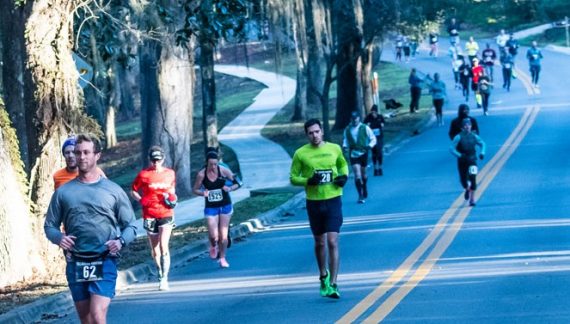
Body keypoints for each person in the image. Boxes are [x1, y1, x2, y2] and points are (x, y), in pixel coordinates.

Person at [44, 134, 137, 323]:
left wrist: (120, 241)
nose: (81, 157)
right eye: (78, 153)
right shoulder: (63, 192)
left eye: (86, 152)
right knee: (86, 319)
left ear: (97, 155)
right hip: (76, 262)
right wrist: (59, 238)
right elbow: (49, 225)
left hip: (104, 259)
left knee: (97, 314)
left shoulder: (113, 190)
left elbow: (132, 225)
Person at [289, 118, 349, 299]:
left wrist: (344, 177)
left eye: (317, 131)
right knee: (320, 242)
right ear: (306, 135)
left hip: (333, 199)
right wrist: (308, 181)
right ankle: (323, 275)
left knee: (332, 241)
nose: (314, 135)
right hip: (314, 202)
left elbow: (342, 164)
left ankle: (334, 284)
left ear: (322, 131)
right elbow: (293, 177)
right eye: (310, 133)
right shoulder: (300, 154)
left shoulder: (334, 148)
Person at [131, 146, 177, 291]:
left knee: (164, 246)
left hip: (166, 213)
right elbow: (133, 190)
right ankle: (159, 271)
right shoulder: (144, 175)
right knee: (155, 250)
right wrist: (140, 200)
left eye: (158, 160)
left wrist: (172, 199)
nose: (156, 163)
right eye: (153, 160)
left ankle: (164, 278)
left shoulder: (170, 173)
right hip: (149, 214)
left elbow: (172, 191)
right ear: (150, 160)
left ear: (163, 159)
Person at [192, 149, 241, 268]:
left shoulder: (223, 170)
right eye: (211, 164)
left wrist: (230, 189)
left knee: (223, 235)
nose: (213, 166)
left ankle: (223, 258)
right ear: (206, 163)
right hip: (211, 207)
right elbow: (195, 189)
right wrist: (203, 193)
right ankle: (213, 245)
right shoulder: (201, 174)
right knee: (214, 235)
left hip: (225, 205)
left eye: (215, 164)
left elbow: (238, 183)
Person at [450, 118, 486, 206]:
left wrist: (482, 152)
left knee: (473, 179)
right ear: (462, 127)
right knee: (463, 180)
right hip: (462, 161)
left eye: (469, 125)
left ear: (471, 126)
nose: (467, 126)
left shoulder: (474, 136)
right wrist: (459, 155)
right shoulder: (458, 137)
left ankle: (472, 199)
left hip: (472, 160)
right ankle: (467, 188)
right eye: (465, 125)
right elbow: (451, 148)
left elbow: (483, 144)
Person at [343, 112, 376, 203]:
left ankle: (364, 186)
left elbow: (373, 138)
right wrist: (345, 146)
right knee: (357, 175)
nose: (354, 120)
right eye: (353, 119)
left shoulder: (365, 127)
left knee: (364, 174)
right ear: (351, 119)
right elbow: (345, 139)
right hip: (353, 154)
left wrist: (369, 146)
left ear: (359, 118)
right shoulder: (347, 129)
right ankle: (360, 195)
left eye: (356, 118)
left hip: (363, 153)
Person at [364, 105, 386, 176]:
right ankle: (375, 168)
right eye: (372, 112)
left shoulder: (380, 117)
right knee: (374, 153)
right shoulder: (368, 118)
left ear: (376, 112)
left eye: (374, 112)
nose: (373, 114)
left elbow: (383, 124)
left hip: (379, 137)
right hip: (371, 138)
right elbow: (364, 125)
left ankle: (380, 167)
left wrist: (382, 125)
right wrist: (367, 125)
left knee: (379, 152)